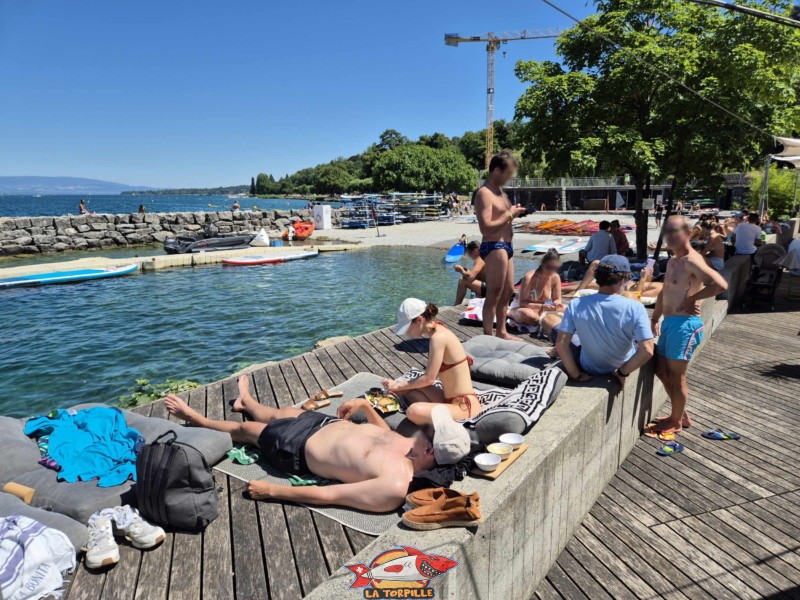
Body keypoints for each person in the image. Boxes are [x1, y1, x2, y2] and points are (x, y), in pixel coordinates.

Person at [163, 376, 470, 512]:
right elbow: (380, 433)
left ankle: (195, 419)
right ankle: (248, 400)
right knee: (280, 413)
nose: (424, 430)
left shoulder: (393, 485)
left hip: (297, 449)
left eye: (430, 433)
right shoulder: (410, 445)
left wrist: (272, 490)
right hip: (323, 423)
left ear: (431, 450)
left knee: (247, 429)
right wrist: (365, 408)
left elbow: (333, 495)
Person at [648, 216, 728, 436]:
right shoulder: (674, 260)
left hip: (685, 325)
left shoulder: (692, 260)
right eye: (668, 231)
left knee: (677, 376)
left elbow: (720, 284)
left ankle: (676, 421)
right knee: (660, 369)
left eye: (676, 231)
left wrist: (692, 299)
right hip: (670, 323)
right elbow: (665, 292)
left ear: (688, 232)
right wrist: (655, 318)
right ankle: (679, 413)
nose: (671, 236)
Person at [555, 255, 655, 385]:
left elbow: (561, 344)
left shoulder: (576, 304)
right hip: (622, 364)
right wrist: (622, 372)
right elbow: (647, 350)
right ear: (624, 279)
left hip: (589, 367)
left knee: (551, 323)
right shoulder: (635, 307)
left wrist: (576, 375)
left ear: (597, 277)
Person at [386, 299, 481, 423]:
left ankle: (429, 427)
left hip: (464, 406)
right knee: (408, 390)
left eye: (408, 328)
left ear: (420, 320)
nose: (407, 333)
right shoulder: (438, 328)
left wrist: (398, 385)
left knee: (413, 411)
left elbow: (429, 379)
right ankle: (386, 397)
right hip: (450, 399)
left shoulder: (438, 338)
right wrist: (397, 387)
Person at [474, 150, 526, 340]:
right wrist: (511, 214)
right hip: (494, 245)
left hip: (507, 246)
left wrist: (515, 212)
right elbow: (486, 228)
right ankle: (488, 336)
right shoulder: (484, 193)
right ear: (497, 170)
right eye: (508, 174)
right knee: (494, 293)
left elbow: (504, 217)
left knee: (507, 292)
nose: (509, 178)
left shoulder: (501, 193)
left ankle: (501, 331)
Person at [508, 249, 564, 326]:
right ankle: (510, 313)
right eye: (548, 267)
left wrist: (556, 304)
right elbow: (522, 303)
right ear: (542, 264)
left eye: (554, 268)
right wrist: (542, 306)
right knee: (529, 315)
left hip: (544, 308)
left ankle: (543, 322)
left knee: (567, 308)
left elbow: (557, 299)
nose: (551, 270)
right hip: (522, 307)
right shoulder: (530, 277)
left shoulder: (555, 277)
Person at [562, 259, 663, 299]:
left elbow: (637, 296)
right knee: (596, 263)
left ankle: (567, 290)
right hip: (626, 281)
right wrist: (649, 274)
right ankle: (572, 290)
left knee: (594, 269)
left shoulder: (661, 290)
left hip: (621, 286)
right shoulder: (662, 285)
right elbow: (646, 285)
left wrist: (643, 278)